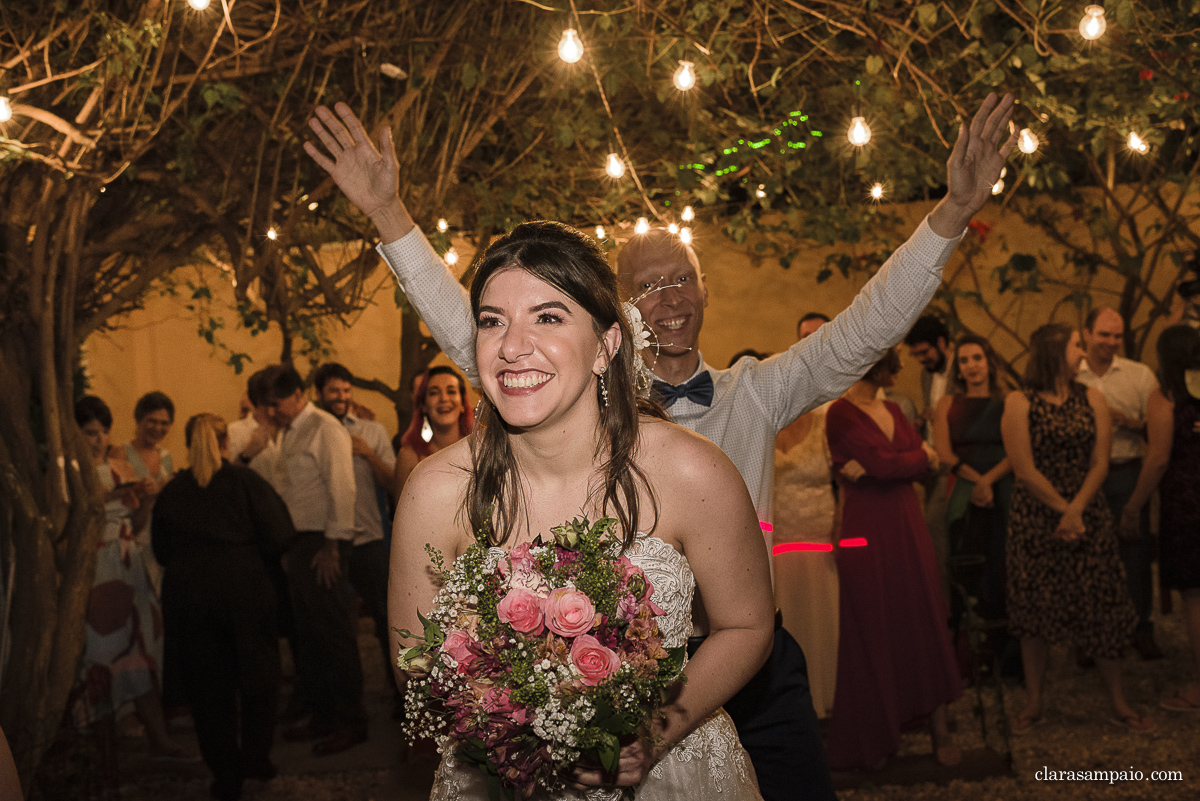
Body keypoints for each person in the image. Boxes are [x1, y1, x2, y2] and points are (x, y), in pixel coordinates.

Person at [307, 92, 1018, 801]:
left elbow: (864, 328)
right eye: (648, 285)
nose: (669, 295)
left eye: (682, 277)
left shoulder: (759, 391)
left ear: (704, 291)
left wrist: (952, 212)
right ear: (616, 312)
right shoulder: (551, 381)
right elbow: (483, 331)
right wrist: (389, 215)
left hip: (746, 660)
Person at [391, 220, 773, 799]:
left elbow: (746, 625)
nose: (513, 345)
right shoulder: (436, 490)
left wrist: (651, 732)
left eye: (548, 316)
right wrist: (510, 725)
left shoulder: (691, 471)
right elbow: (410, 665)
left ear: (608, 345)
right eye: (493, 321)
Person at [1000, 323, 1151, 733]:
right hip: (1036, 517)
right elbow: (1024, 468)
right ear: (1053, 351)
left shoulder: (1093, 399)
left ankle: (1118, 701)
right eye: (1075, 346)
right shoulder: (1019, 401)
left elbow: (1101, 461)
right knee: (1035, 610)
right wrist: (1063, 510)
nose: (1082, 353)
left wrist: (1078, 509)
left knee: (1102, 605)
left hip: (1088, 512)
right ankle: (1034, 702)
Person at [824, 349, 962, 769]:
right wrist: (917, 459)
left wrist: (909, 462)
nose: (900, 368)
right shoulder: (840, 413)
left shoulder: (894, 409)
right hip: (866, 528)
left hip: (907, 522)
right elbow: (888, 465)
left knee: (923, 617)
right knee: (873, 624)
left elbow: (909, 466)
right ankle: (878, 735)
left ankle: (939, 732)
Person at [152, 414, 297, 801]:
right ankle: (255, 760)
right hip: (245, 589)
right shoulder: (245, 482)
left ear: (187, 444)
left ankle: (225, 773)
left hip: (191, 597)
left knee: (207, 687)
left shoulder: (172, 492)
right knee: (258, 677)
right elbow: (281, 533)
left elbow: (161, 551)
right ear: (224, 442)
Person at [71, 396, 190, 791]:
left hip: (128, 559)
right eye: (90, 432)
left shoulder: (119, 466)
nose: (99, 439)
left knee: (139, 650)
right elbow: (68, 522)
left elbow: (137, 522)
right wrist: (107, 499)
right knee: (101, 656)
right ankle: (106, 757)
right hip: (96, 567)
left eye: (103, 431)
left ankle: (159, 739)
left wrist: (144, 500)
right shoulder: (68, 471)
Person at [260, 365, 368, 755]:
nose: (272, 412)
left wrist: (333, 546)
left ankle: (350, 722)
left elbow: (343, 486)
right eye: (267, 406)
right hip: (300, 545)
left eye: (276, 404)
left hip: (324, 543)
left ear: (297, 394)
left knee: (335, 634)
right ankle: (323, 715)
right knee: (310, 638)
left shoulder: (325, 428)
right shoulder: (291, 432)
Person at [1116, 325, 1200, 711]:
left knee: (1196, 597)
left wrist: (1133, 506)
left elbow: (1159, 458)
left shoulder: (1164, 398)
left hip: (1187, 504)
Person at [1076, 307, 1163, 661]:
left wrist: (1131, 422)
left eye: (1117, 335)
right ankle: (1089, 634)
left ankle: (1140, 627)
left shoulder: (1139, 376)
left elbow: (1158, 430)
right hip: (1081, 475)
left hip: (1126, 470)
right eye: (1104, 334)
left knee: (1134, 552)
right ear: (1086, 333)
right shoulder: (1071, 376)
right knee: (1084, 554)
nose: (1111, 342)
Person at [312, 362, 399, 714]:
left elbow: (393, 482)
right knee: (334, 627)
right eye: (334, 390)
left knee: (386, 620)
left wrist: (369, 453)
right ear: (319, 394)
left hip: (369, 540)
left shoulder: (372, 430)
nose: (341, 397)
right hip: (329, 543)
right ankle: (346, 704)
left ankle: (401, 695)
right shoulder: (313, 433)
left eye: (346, 390)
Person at [771, 315, 837, 718]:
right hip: (778, 544)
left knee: (825, 626)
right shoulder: (770, 419)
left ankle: (829, 701)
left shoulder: (832, 418)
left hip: (822, 541)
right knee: (787, 623)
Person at [932, 335, 1014, 660]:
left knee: (1002, 560)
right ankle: (967, 650)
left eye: (977, 358)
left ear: (989, 362)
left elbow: (1016, 451)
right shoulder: (946, 404)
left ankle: (1005, 652)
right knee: (965, 560)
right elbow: (943, 453)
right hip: (963, 487)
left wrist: (989, 480)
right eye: (964, 360)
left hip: (1003, 484)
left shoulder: (1009, 401)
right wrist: (977, 481)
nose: (971, 366)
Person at [904, 316, 954, 584]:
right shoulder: (927, 375)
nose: (921, 360)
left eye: (924, 352)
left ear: (942, 342)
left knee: (934, 528)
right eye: (916, 355)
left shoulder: (963, 367)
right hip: (933, 461)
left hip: (956, 462)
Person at [394, 365, 474, 497]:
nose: (443, 398)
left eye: (451, 391)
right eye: (434, 393)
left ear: (462, 404)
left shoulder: (481, 452)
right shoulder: (409, 458)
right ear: (424, 406)